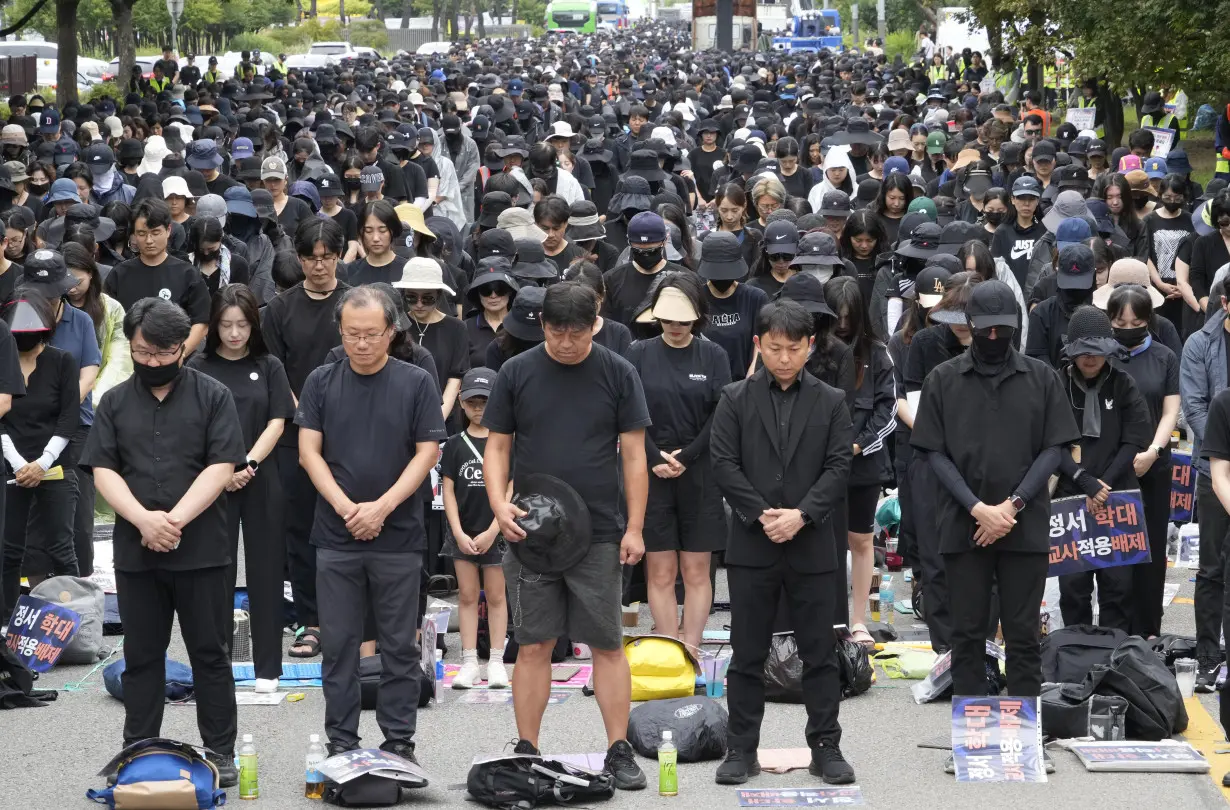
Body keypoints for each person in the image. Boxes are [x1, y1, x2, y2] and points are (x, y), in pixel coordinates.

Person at [482, 281, 652, 790]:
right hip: (529, 529)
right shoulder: (517, 371)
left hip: (598, 530)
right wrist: (497, 504)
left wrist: (636, 527)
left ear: (595, 324)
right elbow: (497, 448)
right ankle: (527, 747)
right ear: (543, 327)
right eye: (557, 333)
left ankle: (618, 748)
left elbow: (635, 455)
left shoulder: (618, 372)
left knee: (607, 643)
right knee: (533, 643)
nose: (567, 343)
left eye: (578, 333)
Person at [909, 280, 1079, 774]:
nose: (994, 337)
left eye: (1004, 330)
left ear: (1016, 329)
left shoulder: (1041, 377)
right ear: (969, 330)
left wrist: (1013, 505)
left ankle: (1026, 741)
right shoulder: (943, 378)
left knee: (1024, 636)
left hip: (1022, 525)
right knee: (966, 635)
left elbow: (1055, 448)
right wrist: (978, 509)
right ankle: (971, 742)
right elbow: (932, 451)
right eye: (986, 330)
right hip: (964, 524)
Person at [80, 297, 246, 785]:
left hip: (203, 550)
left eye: (162, 353)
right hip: (137, 549)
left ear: (182, 348)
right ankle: (137, 746)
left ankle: (220, 751)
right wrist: (141, 520)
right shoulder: (113, 401)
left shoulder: (213, 395)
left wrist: (171, 520)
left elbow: (222, 466)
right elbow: (103, 469)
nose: (152, 362)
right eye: (141, 353)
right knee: (142, 654)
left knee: (209, 654)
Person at [709, 298, 856, 787]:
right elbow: (724, 463)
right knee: (746, 653)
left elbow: (839, 467)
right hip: (753, 544)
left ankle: (826, 747)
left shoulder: (831, 401)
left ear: (810, 347)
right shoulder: (735, 398)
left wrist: (802, 515)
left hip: (812, 544)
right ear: (759, 345)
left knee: (820, 653)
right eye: (775, 348)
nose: (785, 358)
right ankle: (740, 749)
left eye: (794, 348)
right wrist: (760, 514)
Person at [296, 285, 446, 759]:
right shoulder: (321, 380)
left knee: (399, 646)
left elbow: (427, 452)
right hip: (335, 535)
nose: (361, 344)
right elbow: (308, 453)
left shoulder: (416, 380)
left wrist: (380, 508)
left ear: (391, 331)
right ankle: (341, 742)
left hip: (398, 534)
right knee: (339, 646)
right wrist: (347, 509)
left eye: (371, 334)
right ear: (340, 332)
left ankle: (400, 742)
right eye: (351, 334)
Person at [186, 284, 294, 692]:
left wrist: (247, 462)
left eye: (243, 325)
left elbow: (277, 420)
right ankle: (217, 665)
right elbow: (192, 426)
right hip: (212, 479)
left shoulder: (269, 365)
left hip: (260, 475)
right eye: (226, 325)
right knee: (216, 571)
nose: (234, 333)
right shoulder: (197, 365)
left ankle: (268, 668)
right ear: (214, 326)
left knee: (266, 572)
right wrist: (223, 470)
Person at [625, 274, 730, 652]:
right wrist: (654, 456)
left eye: (684, 321)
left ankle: (693, 647)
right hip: (650, 470)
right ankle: (671, 648)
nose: (676, 327)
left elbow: (720, 413)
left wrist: (687, 457)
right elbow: (627, 412)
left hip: (699, 469)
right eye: (669, 320)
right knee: (661, 570)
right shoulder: (638, 353)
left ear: (696, 318)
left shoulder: (713, 355)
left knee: (697, 570)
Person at [262, 218, 350, 659]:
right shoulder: (278, 310)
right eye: (311, 258)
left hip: (352, 430)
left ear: (339, 256)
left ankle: (351, 618)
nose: (319, 267)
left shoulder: (355, 304)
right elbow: (276, 372)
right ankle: (311, 622)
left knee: (349, 523)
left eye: (327, 258)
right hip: (295, 433)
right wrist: (306, 414)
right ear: (299, 259)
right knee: (300, 529)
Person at [1053, 306, 1152, 630]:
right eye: (1083, 352)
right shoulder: (1057, 384)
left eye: (1097, 352)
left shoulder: (1123, 383)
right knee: (1073, 590)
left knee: (1118, 588)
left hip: (1117, 494)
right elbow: (1049, 443)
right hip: (1070, 496)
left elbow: (1135, 439)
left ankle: (1115, 657)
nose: (1090, 359)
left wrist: (1103, 484)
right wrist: (1084, 481)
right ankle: (1074, 652)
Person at [1101, 283, 1181, 637]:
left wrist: (1153, 452)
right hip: (1110, 470)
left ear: (1149, 320)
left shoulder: (1164, 356)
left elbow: (1170, 411)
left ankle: (1148, 631)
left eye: (1135, 323)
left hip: (1152, 466)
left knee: (1150, 551)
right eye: (1119, 322)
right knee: (1114, 554)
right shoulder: (1101, 355)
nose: (1127, 329)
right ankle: (1112, 632)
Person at [826, 276, 897, 645]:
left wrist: (857, 446)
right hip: (821, 465)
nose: (841, 324)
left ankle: (857, 620)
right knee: (824, 539)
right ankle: (829, 617)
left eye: (848, 317)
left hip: (863, 463)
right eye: (835, 316)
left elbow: (888, 410)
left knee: (861, 538)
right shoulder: (814, 351)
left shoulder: (877, 353)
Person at [0, 291, 78, 620]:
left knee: (62, 545)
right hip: (10, 464)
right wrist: (18, 464)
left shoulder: (62, 361)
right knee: (8, 547)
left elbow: (69, 417)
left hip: (55, 464)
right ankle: (6, 619)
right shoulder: (4, 362)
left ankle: (78, 616)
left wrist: (43, 462)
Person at [440, 367, 510, 690]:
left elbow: (510, 487)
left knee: (496, 596)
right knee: (467, 595)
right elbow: (448, 490)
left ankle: (496, 660)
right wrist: (456, 531)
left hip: (496, 531)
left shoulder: (505, 441)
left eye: (485, 402)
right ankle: (469, 661)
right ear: (462, 405)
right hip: (464, 532)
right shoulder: (454, 444)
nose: (479, 409)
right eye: (472, 403)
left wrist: (495, 529)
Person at [1181, 275, 1230, 691]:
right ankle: (1207, 657)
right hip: (1214, 470)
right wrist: (1221, 449)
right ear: (1225, 303)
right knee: (1212, 568)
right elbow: (1194, 407)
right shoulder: (1200, 343)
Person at [103, 199, 211, 354]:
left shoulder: (187, 274)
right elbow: (108, 322)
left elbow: (201, 323)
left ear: (168, 230)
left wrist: (178, 355)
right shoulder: (119, 274)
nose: (149, 240)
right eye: (141, 233)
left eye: (155, 233)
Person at [396, 256, 469, 421]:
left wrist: (437, 419)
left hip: (444, 416)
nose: (419, 304)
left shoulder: (456, 328)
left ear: (439, 295)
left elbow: (456, 378)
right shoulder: (397, 326)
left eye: (427, 298)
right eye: (411, 297)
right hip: (400, 414)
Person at [699, 231, 769, 381]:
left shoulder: (755, 298)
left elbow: (763, 339)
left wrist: (753, 372)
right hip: (704, 381)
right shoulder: (696, 297)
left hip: (745, 382)